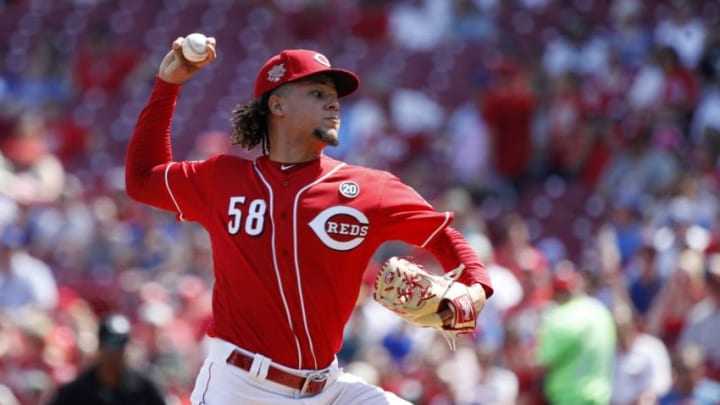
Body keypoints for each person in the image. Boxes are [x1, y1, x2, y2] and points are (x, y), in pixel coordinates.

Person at [124, 36, 493, 404]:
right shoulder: (222, 179)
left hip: (328, 389)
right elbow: (143, 179)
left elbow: (441, 234)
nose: (334, 103)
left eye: (334, 95)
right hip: (239, 387)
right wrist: (168, 85)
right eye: (317, 93)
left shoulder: (368, 188)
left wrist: (476, 288)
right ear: (277, 104)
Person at [533, 260, 617, 405]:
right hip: (602, 398)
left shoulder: (560, 316)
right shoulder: (602, 312)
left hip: (569, 399)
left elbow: (542, 363)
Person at [47, 312, 167, 405]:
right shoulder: (76, 391)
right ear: (100, 346)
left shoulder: (144, 388)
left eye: (120, 346)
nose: (115, 353)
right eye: (110, 346)